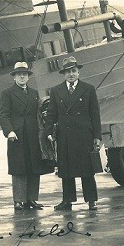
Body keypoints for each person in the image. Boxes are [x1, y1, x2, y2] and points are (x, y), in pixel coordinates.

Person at [44, 56, 102, 211]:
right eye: (68, 72)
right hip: (65, 136)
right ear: (64, 74)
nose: (71, 74)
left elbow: (95, 115)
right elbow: (51, 114)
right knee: (66, 169)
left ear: (78, 73)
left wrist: (97, 136)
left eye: (73, 71)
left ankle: (91, 200)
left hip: (84, 135)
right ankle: (67, 201)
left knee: (87, 170)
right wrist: (48, 131)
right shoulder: (56, 91)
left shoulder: (88, 89)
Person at [0, 62, 54, 210]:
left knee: (34, 167)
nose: (22, 76)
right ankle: (18, 200)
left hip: (34, 135)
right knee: (19, 168)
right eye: (19, 74)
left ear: (28, 77)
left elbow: (39, 114)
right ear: (14, 77)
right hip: (17, 136)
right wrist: (9, 131)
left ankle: (31, 199)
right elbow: (3, 115)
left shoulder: (34, 93)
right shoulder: (7, 93)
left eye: (25, 74)